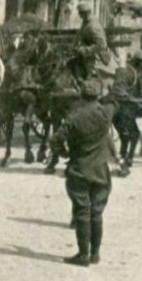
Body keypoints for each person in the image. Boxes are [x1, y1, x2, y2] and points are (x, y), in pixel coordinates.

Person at [50, 78, 115, 267]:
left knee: (82, 211)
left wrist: (65, 153)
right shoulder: (105, 114)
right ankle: (95, 254)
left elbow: (55, 141)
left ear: (81, 95)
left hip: (79, 169)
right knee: (97, 212)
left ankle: (83, 254)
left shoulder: (74, 117)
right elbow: (114, 102)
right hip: (101, 170)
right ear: (97, 95)